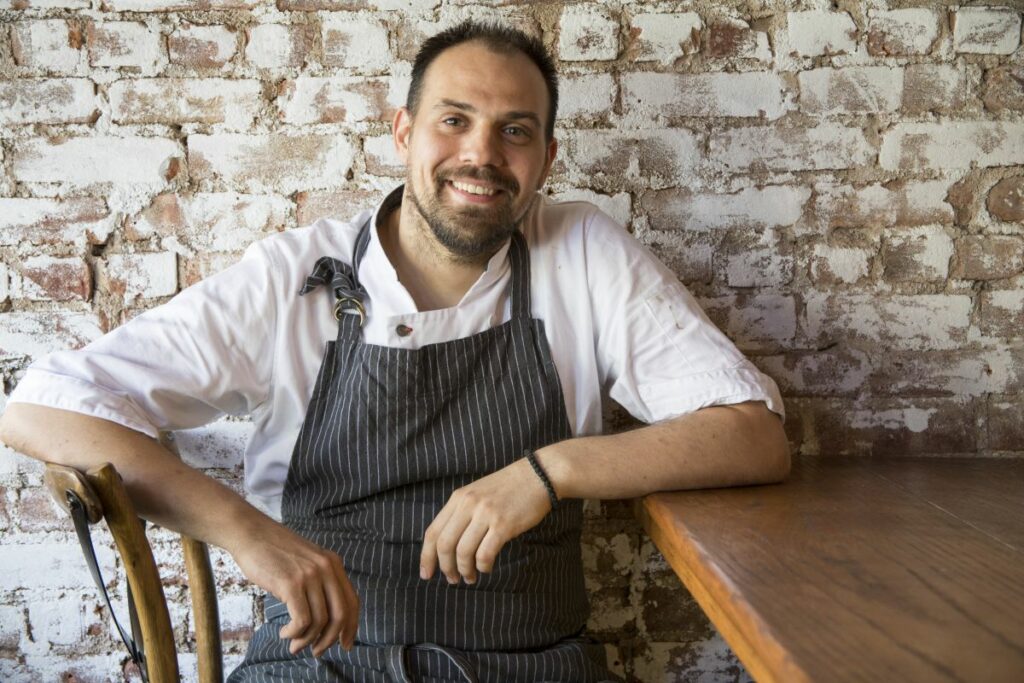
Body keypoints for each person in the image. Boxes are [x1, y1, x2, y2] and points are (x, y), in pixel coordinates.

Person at [0, 21, 789, 683]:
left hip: (528, 664)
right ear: (404, 132)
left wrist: (549, 472)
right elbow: (40, 408)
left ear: (547, 160)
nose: (482, 154)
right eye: (455, 120)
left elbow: (754, 435)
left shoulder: (582, 251)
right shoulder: (294, 275)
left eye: (515, 131)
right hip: (316, 666)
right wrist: (247, 531)